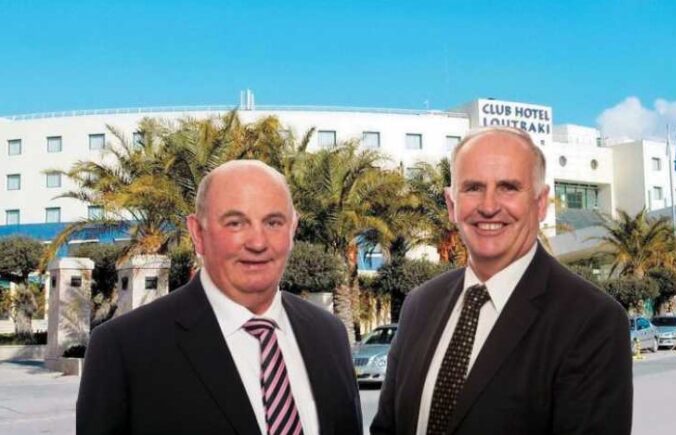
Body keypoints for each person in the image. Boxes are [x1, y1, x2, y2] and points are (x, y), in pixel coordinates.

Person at [371, 127, 632, 435]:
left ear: (540, 203)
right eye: (473, 188)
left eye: (508, 187)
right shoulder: (420, 304)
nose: (489, 206)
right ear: (452, 204)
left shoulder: (592, 321)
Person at [77, 160, 362, 435]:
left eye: (273, 222)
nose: (258, 242)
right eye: (235, 223)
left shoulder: (329, 335)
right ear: (198, 233)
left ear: (292, 230)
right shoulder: (124, 349)